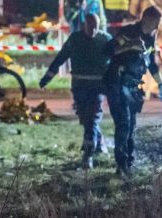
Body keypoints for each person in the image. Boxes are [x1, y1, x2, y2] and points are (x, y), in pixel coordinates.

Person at [39, 13, 112, 169]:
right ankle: (99, 142)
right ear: (84, 25)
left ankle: (88, 155)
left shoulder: (105, 39)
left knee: (92, 119)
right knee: (85, 119)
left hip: (98, 87)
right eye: (90, 27)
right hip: (79, 86)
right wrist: (47, 77)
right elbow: (61, 58)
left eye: (96, 28)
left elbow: (116, 60)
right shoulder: (75, 39)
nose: (93, 31)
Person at [104, 7, 162, 176]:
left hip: (133, 86)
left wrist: (161, 84)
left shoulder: (150, 38)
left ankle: (129, 162)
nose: (158, 25)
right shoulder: (128, 32)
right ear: (146, 19)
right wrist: (129, 46)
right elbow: (108, 50)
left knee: (131, 125)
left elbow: (151, 63)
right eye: (156, 21)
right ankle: (121, 165)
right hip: (117, 82)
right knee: (124, 124)